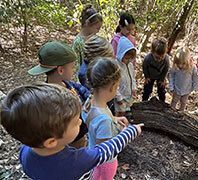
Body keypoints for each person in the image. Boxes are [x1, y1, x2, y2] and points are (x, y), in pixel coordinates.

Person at [0, 83, 144, 180]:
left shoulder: (25, 151)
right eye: (75, 122)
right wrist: (130, 131)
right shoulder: (76, 161)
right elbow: (106, 150)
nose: (80, 122)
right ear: (51, 141)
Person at [28, 41, 90, 147]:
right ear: (61, 70)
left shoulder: (68, 84)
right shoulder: (48, 97)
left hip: (79, 134)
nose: (74, 70)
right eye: (72, 67)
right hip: (67, 140)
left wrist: (89, 96)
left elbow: (81, 90)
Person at [85, 58, 129, 180]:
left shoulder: (90, 101)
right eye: (117, 86)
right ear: (113, 86)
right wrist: (124, 133)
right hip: (104, 165)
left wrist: (114, 119)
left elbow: (94, 121)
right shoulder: (104, 120)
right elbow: (105, 150)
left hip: (91, 153)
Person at [72, 5, 103, 72]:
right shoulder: (78, 42)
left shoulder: (95, 38)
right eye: (97, 28)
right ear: (88, 23)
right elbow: (75, 65)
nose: (98, 31)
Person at [169, 47, 198, 111]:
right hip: (176, 89)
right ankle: (171, 112)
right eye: (178, 63)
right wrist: (171, 87)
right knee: (174, 101)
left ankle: (181, 113)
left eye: (183, 63)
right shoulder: (175, 67)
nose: (180, 66)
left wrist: (195, 88)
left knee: (183, 102)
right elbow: (171, 76)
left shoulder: (192, 67)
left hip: (186, 89)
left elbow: (195, 77)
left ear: (188, 60)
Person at [142, 37, 170, 102]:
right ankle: (144, 101)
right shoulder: (148, 58)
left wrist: (162, 79)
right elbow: (144, 67)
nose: (159, 59)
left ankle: (162, 102)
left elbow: (166, 69)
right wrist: (146, 77)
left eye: (161, 57)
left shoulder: (166, 59)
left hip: (160, 76)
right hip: (150, 75)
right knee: (147, 89)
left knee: (161, 90)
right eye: (157, 57)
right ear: (152, 52)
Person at [114, 36, 136, 117]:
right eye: (127, 58)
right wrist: (119, 98)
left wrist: (134, 88)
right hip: (120, 97)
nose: (129, 61)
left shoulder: (130, 65)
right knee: (119, 114)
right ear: (121, 54)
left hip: (129, 96)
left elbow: (132, 78)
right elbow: (114, 84)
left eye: (130, 59)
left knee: (127, 113)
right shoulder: (116, 66)